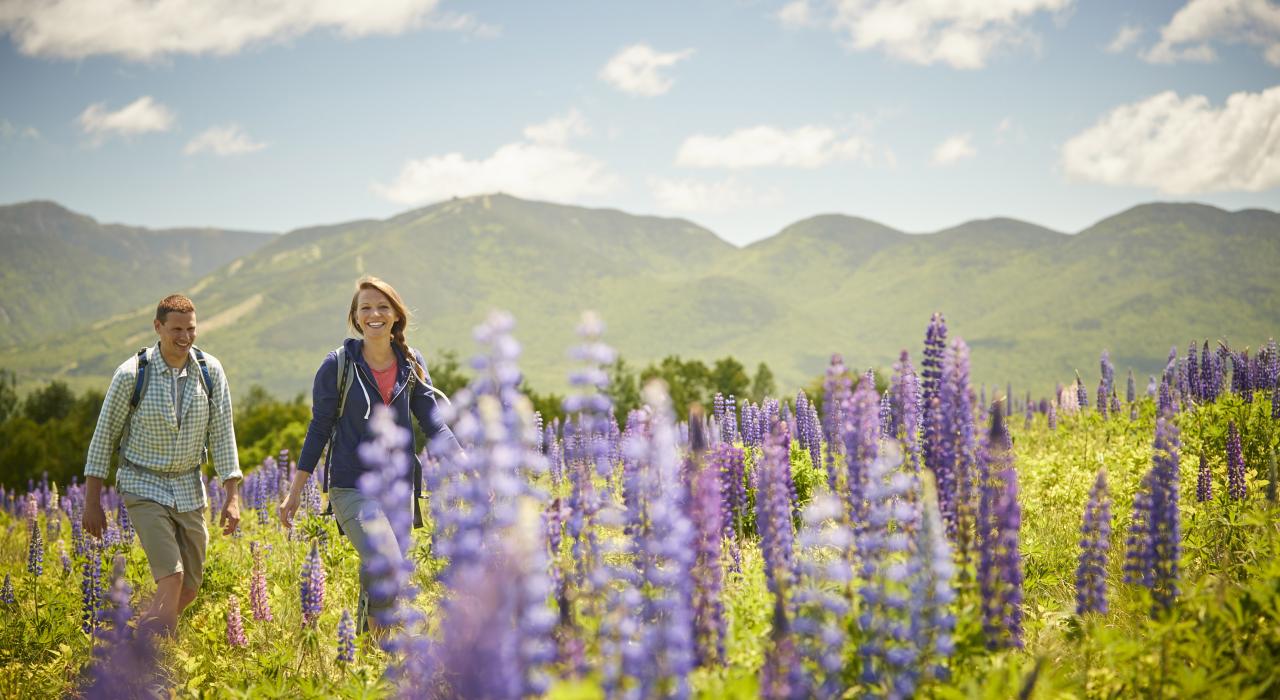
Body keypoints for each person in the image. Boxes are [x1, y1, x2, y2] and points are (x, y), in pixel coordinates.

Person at [279, 276, 460, 629]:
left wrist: (469, 465)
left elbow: (434, 423)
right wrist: (295, 491)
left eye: (382, 307)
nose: (374, 314)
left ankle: (367, 650)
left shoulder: (411, 362)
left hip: (399, 489)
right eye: (366, 308)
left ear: (396, 315)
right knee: (386, 563)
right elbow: (318, 429)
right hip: (351, 487)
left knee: (383, 576)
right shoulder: (338, 365)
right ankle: (373, 646)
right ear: (356, 317)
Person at [83, 294, 242, 635]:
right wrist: (91, 502)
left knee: (190, 588)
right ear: (158, 327)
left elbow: (223, 435)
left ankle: (132, 643)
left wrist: (232, 496)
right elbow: (103, 439)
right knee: (172, 577)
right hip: (143, 484)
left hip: (188, 488)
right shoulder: (131, 374)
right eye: (176, 329)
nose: (185, 337)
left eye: (191, 329)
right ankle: (156, 660)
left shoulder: (210, 371)